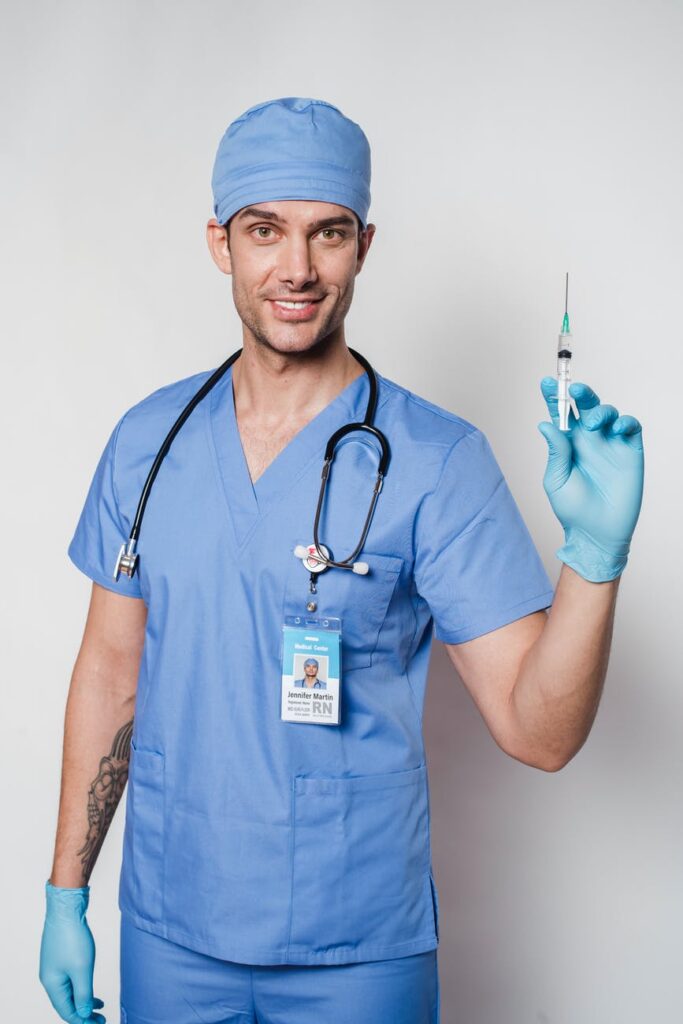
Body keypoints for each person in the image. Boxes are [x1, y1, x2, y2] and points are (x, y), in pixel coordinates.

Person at [39, 97, 644, 1024]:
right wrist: (66, 894)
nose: (296, 268)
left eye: (327, 233)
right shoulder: (147, 444)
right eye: (264, 230)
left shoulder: (436, 461)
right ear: (220, 243)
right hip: (168, 929)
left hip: (354, 955)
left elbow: (540, 733)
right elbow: (111, 674)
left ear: (363, 245)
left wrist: (594, 557)